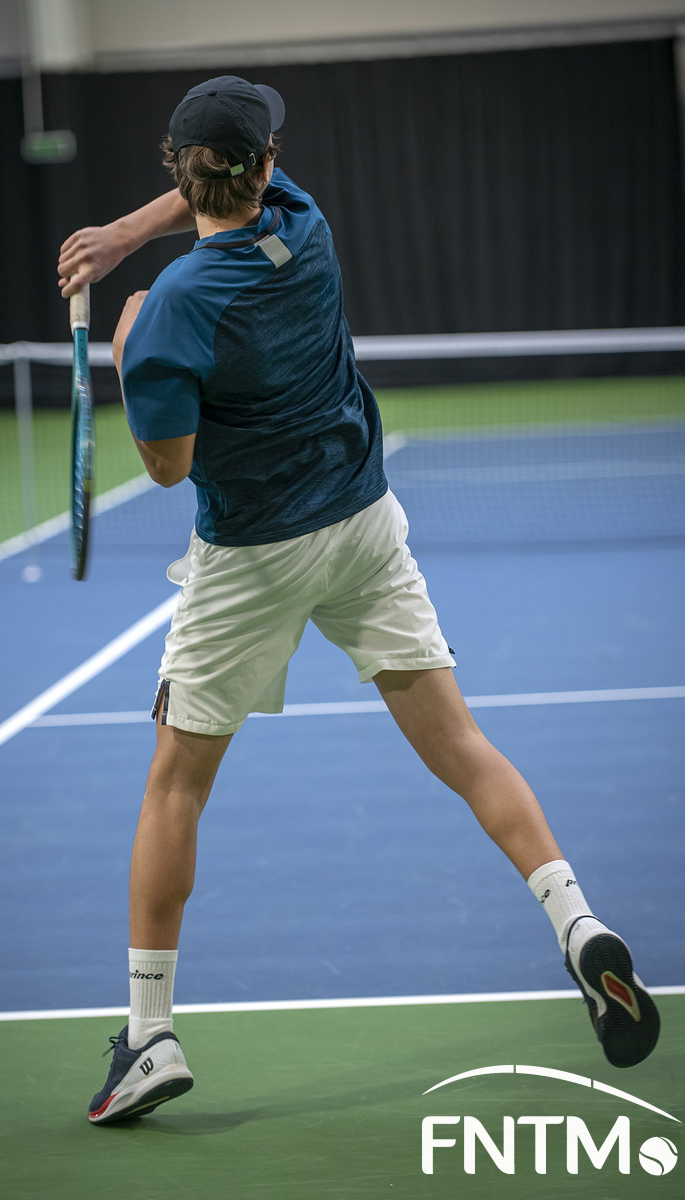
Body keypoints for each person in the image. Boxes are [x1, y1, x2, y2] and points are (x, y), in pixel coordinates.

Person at [58, 76, 660, 1125]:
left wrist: (125, 346)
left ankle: (148, 1037)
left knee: (175, 786)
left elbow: (166, 466)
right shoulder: (306, 224)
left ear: (177, 165)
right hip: (365, 525)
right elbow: (221, 188)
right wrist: (124, 235)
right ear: (267, 166)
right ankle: (576, 922)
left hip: (252, 561)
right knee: (462, 745)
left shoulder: (174, 313)